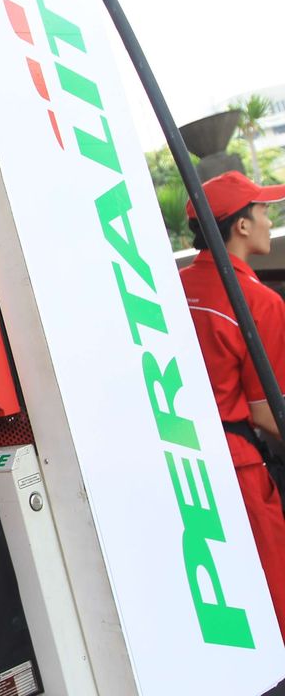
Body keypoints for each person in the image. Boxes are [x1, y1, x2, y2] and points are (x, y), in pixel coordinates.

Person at [178, 170, 285, 640]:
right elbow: (268, 413)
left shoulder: (170, 287)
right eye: (263, 210)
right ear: (240, 226)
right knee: (273, 599)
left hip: (182, 462)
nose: (268, 218)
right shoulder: (259, 302)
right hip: (239, 468)